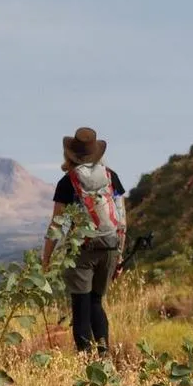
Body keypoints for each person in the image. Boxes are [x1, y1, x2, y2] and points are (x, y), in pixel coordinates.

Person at [41, 127, 127, 353]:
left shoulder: (67, 182)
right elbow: (122, 219)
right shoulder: (111, 177)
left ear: (70, 155)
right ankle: (104, 358)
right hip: (110, 245)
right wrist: (119, 255)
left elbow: (57, 225)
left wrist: (46, 257)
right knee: (96, 303)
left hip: (82, 248)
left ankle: (86, 363)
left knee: (81, 307)